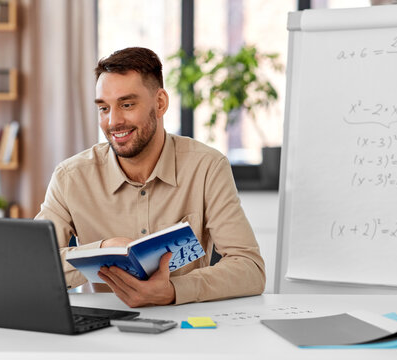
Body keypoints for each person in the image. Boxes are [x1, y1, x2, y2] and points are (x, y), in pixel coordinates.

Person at [35, 47, 265, 307]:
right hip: (106, 332)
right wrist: (102, 251)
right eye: (103, 108)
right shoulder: (70, 177)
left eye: (127, 104)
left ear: (160, 103)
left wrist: (174, 290)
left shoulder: (207, 167)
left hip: (186, 327)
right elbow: (34, 265)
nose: (113, 121)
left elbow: (250, 269)